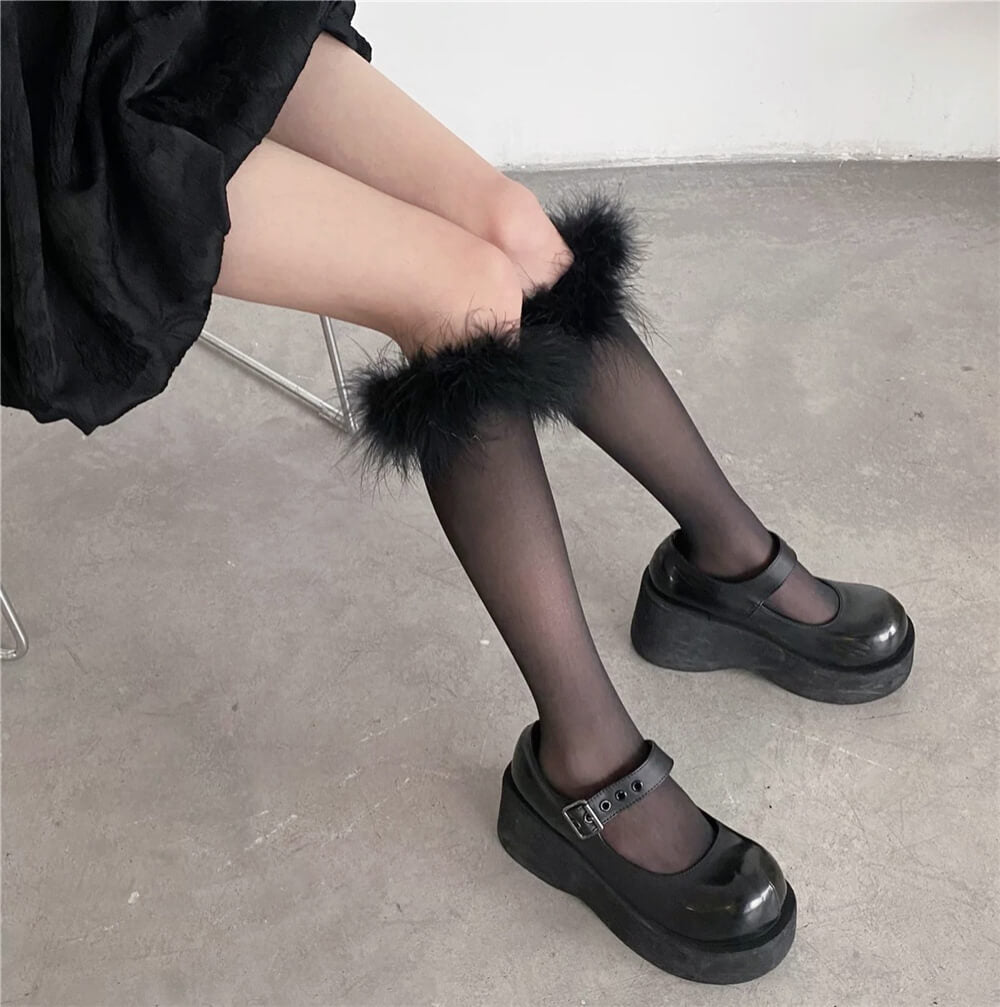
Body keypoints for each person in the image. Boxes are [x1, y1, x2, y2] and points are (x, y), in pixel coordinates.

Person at [1, 2, 914, 985]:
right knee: (462, 296)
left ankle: (725, 563)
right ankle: (579, 763)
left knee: (517, 233)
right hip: (35, 109)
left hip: (128, 20)